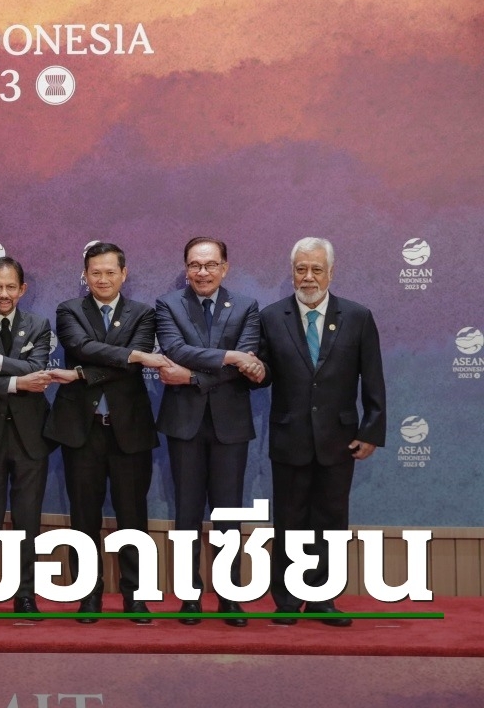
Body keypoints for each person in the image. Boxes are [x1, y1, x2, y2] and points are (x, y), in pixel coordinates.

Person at [259, 237, 385, 628]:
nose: (308, 277)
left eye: (316, 269)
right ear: (292, 272)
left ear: (331, 272)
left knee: (330, 521)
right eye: (301, 269)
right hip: (289, 437)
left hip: (339, 438)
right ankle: (286, 599)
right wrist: (250, 369)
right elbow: (261, 374)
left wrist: (371, 429)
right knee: (288, 520)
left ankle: (321, 598)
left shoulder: (358, 316)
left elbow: (373, 379)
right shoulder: (271, 317)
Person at [44, 241, 171, 624]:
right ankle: (88, 595)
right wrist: (132, 354)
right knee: (83, 517)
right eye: (95, 273)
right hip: (81, 431)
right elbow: (81, 345)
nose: (102, 279)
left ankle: (136, 596)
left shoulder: (144, 313)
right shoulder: (69, 310)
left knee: (134, 517)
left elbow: (127, 366)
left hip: (128, 429)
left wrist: (82, 373)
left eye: (110, 272)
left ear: (123, 274)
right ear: (85, 275)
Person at [0, 256, 76, 618]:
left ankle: (25, 595)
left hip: (30, 437)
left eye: (11, 287)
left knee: (28, 519)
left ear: (22, 289)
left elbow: (38, 369)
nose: (4, 294)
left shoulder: (38, 325)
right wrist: (17, 382)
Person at [154, 237, 264, 627]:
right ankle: (190, 597)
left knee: (228, 515)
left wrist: (192, 378)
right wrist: (230, 356)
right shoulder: (168, 305)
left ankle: (230, 596)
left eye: (211, 265)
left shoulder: (247, 307)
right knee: (186, 513)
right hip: (184, 424)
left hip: (230, 425)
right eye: (195, 265)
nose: (203, 272)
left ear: (225, 267)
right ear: (186, 268)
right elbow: (175, 351)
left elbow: (246, 365)